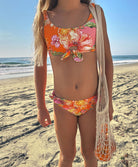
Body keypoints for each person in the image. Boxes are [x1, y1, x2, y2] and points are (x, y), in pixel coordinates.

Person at [33, 0, 114, 166]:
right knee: (66, 156)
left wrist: (109, 100)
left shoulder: (95, 13)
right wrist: (41, 106)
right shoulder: (45, 18)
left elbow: (106, 59)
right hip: (62, 104)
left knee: (90, 154)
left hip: (92, 102)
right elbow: (39, 64)